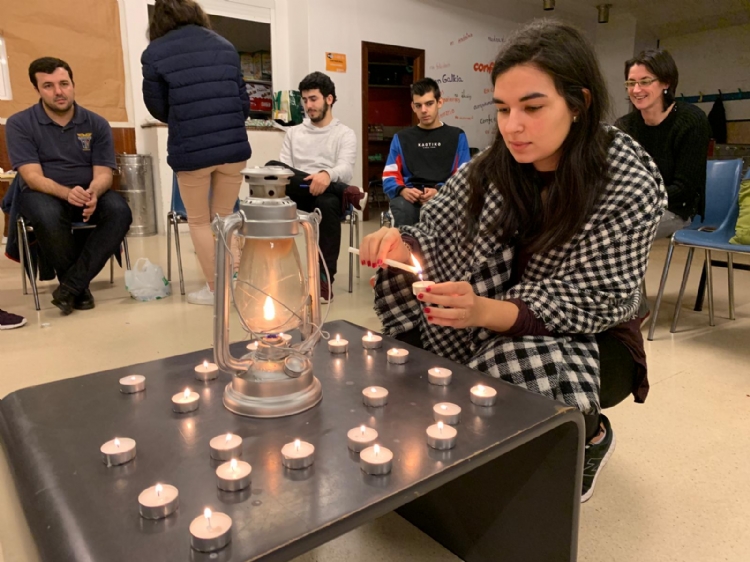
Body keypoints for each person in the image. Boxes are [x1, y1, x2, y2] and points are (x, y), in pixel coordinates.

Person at [361, 20, 667, 502]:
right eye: (503, 108)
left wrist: (483, 311)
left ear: (579, 103)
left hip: (596, 333)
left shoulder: (625, 177)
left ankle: (590, 433)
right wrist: (402, 246)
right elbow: (436, 229)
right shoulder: (494, 165)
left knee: (510, 366)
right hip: (496, 308)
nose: (513, 125)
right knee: (406, 365)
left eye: (533, 107)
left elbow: (596, 299)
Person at [142, 0, 251, 305]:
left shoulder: (155, 52)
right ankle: (236, 281)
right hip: (233, 149)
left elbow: (158, 107)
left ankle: (217, 290)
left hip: (191, 151)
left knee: (200, 221)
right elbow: (243, 104)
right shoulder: (226, 47)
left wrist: (183, 116)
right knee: (225, 217)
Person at [6, 58, 132, 315]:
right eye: (48, 86)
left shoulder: (96, 123)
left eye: (64, 84)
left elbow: (104, 173)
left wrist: (93, 193)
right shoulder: (20, 124)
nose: (58, 92)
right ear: (37, 90)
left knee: (120, 211)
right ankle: (78, 287)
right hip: (42, 193)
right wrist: (67, 193)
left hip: (88, 191)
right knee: (48, 214)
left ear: (73, 85)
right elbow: (32, 177)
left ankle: (71, 286)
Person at [267, 72, 358, 303]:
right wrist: (317, 180)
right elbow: (284, 171)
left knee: (327, 203)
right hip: (298, 193)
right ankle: (345, 191)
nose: (309, 105)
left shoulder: (345, 134)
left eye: (313, 99)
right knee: (272, 167)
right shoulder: (294, 132)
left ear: (329, 99)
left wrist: (326, 175)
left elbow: (346, 168)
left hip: (325, 197)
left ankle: (324, 281)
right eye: (305, 100)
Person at [615, 50, 711, 240]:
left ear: (666, 83)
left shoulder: (691, 121)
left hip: (676, 210)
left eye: (645, 81)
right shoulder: (624, 126)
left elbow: (684, 188)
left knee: (614, 234)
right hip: (630, 208)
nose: (636, 90)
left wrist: (636, 201)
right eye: (631, 83)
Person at [383, 78, 471, 226]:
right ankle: (407, 248)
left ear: (440, 102)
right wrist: (402, 191)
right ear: (413, 107)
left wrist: (441, 192)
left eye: (429, 104)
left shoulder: (457, 136)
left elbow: (464, 178)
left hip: (445, 197)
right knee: (403, 211)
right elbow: (389, 175)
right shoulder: (401, 138)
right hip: (409, 199)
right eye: (419, 105)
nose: (424, 110)